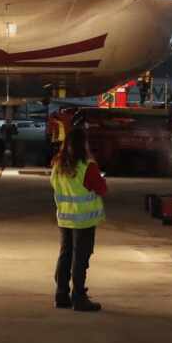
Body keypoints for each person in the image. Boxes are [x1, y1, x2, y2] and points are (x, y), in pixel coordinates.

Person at [50, 124, 107, 312]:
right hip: (83, 221)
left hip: (65, 218)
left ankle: (61, 294)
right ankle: (79, 297)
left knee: (65, 254)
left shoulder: (57, 166)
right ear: (84, 146)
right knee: (80, 258)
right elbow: (102, 189)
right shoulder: (87, 167)